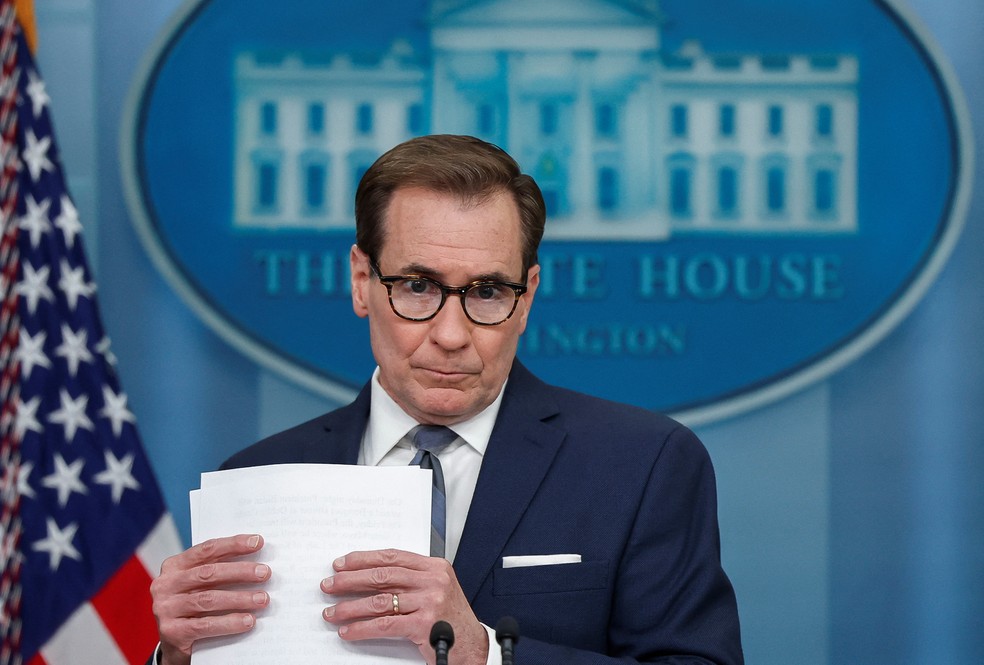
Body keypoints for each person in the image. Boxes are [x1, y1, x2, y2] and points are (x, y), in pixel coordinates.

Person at [148, 135, 743, 665]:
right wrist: (176, 658)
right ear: (361, 281)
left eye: (487, 292)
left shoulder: (643, 465)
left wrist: (483, 655)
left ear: (528, 295)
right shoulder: (256, 479)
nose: (451, 334)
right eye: (417, 286)